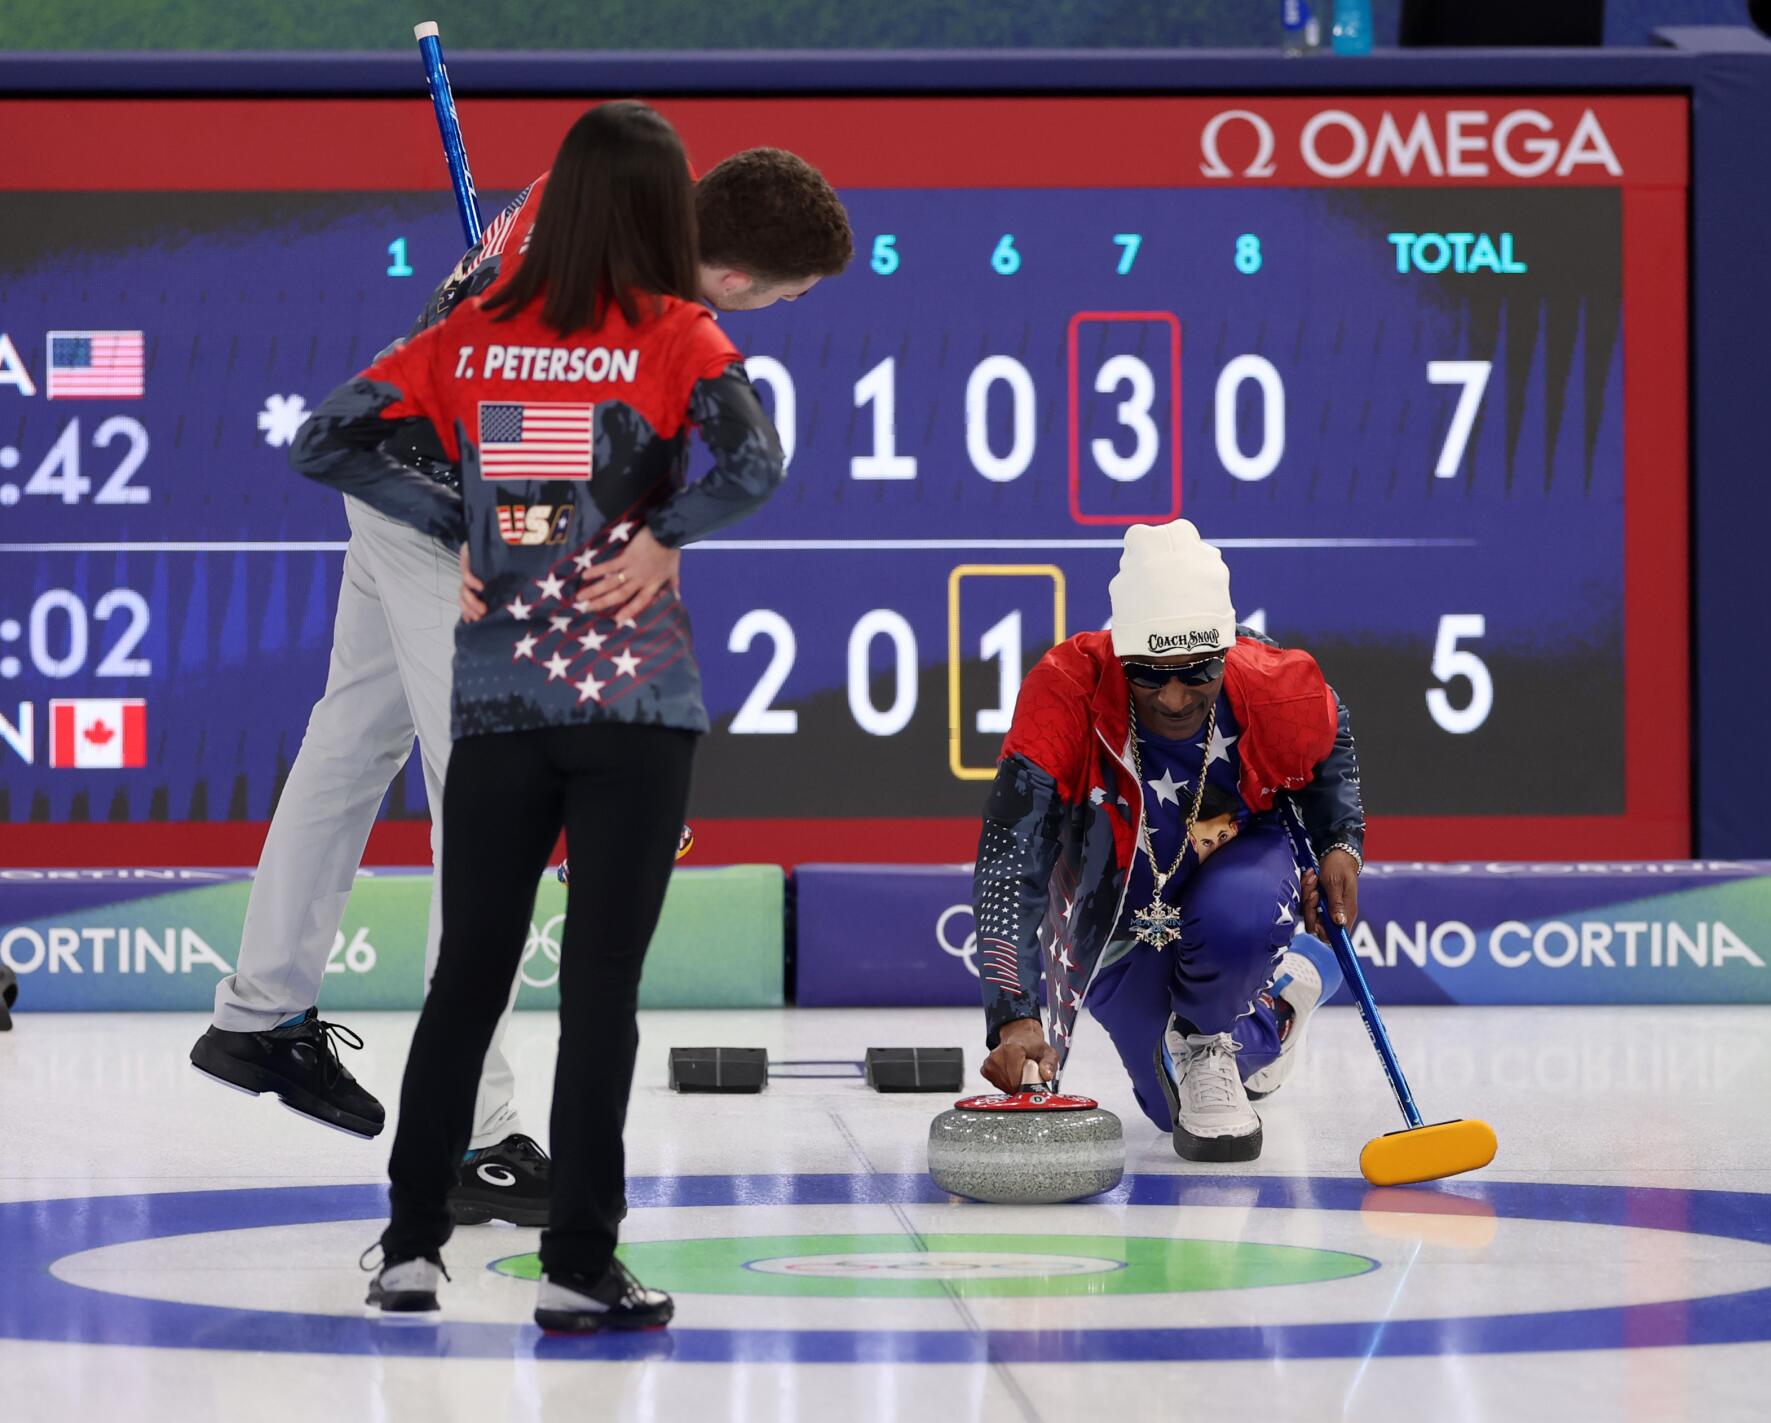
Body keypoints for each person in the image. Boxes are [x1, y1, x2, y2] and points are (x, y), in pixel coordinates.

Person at [188, 141, 851, 1230]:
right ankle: (477, 1140)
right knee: (484, 821)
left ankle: (259, 1013)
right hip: (434, 514)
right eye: (779, 298)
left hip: (399, 476)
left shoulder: (576, 202)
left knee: (349, 745)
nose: (768, 315)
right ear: (727, 277)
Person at [288, 100, 790, 1332]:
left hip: (503, 698)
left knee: (466, 978)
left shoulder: (480, 333)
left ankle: (410, 1250)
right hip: (629, 700)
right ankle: (577, 1268)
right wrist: (667, 535)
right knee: (599, 995)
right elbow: (757, 458)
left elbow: (327, 437)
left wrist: (453, 519)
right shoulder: (679, 331)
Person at [975, 520, 1367, 1163]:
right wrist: (1015, 1012)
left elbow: (1331, 750)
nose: (1176, 697)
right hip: (1115, 897)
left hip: (1232, 848)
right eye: (1149, 676)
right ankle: (1282, 1003)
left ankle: (1216, 1027)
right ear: (1119, 652)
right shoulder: (1063, 693)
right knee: (1167, 1108)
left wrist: (1340, 847)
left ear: (1227, 649)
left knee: (1233, 932)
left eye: (1197, 671)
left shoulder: (1277, 684)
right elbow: (1011, 855)